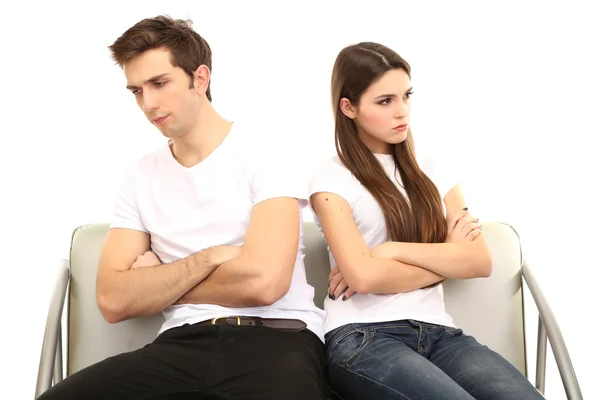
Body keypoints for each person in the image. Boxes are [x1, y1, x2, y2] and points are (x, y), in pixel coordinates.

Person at [38, 15, 327, 400]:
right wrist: (211, 258)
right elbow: (112, 299)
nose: (148, 103)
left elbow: (265, 283)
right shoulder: (139, 178)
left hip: (276, 340)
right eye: (137, 91)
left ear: (200, 78)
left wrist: (161, 284)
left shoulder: (265, 153)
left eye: (159, 83)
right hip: (180, 346)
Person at [308, 41, 544, 399]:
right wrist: (447, 256)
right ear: (349, 107)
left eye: (406, 96)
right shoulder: (330, 179)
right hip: (363, 336)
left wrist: (387, 251)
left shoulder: (431, 168)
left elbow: (479, 261)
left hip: (441, 334)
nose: (402, 111)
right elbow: (364, 277)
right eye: (385, 101)